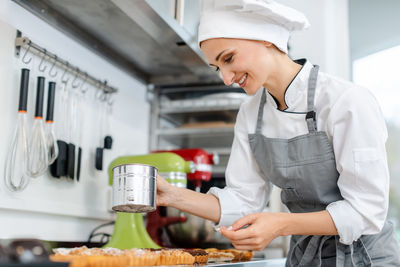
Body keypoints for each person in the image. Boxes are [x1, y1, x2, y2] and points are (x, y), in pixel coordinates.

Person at [156, 0, 400, 266]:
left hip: (365, 258)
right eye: (218, 68)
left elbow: (367, 211)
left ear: (267, 40)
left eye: (228, 58)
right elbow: (242, 201)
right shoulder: (251, 114)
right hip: (305, 259)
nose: (225, 78)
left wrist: (282, 224)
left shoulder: (346, 101)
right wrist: (172, 195)